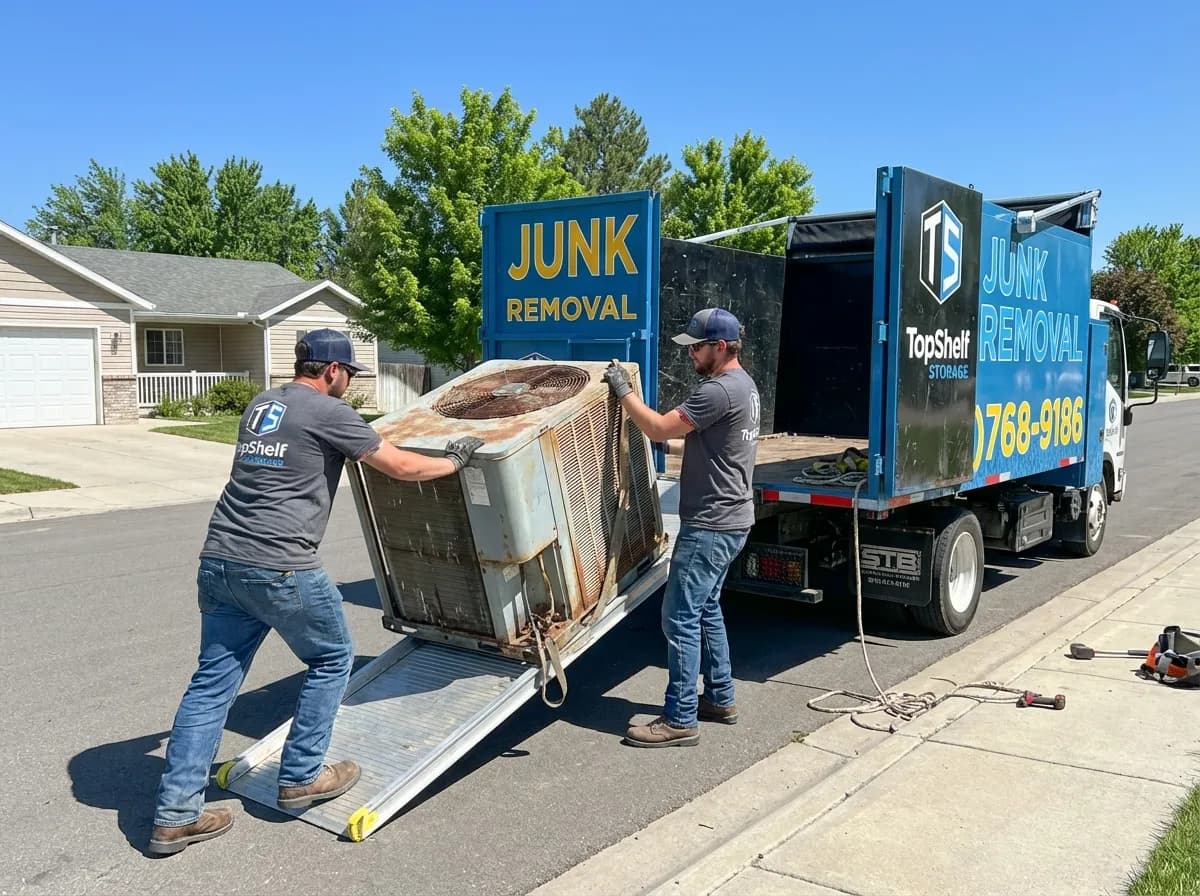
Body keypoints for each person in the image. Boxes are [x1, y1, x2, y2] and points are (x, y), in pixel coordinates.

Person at [148, 329, 483, 855]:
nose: (350, 383)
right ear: (331, 370)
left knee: (212, 685)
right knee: (332, 658)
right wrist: (455, 461)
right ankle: (302, 774)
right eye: (349, 374)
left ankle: (174, 813)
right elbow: (399, 466)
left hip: (219, 561)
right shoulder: (327, 411)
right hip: (280, 566)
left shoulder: (263, 404)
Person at [602, 307, 760, 747]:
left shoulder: (718, 390)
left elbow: (656, 426)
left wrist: (624, 393)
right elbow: (699, 439)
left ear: (721, 347)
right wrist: (660, 440)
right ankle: (721, 696)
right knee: (706, 608)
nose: (691, 354)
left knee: (679, 617)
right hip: (732, 518)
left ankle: (679, 718)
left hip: (710, 523)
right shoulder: (744, 387)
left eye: (697, 347)